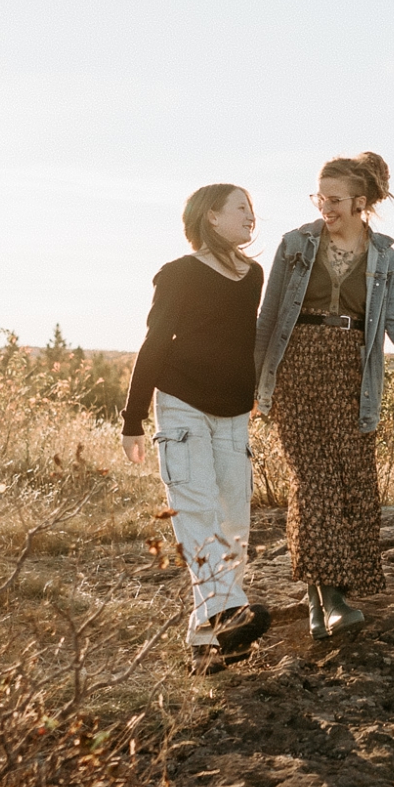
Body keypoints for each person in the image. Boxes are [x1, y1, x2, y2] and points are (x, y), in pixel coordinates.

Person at [254, 153, 394, 639]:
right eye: (319, 197)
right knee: (313, 480)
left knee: (351, 482)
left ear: (360, 202)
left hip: (353, 374)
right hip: (297, 368)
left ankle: (319, 600)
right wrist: (254, 384)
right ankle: (333, 598)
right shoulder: (295, 245)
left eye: (333, 199)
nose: (324, 207)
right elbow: (269, 317)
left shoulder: (385, 256)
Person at [121, 184, 271, 676]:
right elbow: (157, 339)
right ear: (211, 217)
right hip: (182, 404)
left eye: (252, 208)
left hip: (233, 411)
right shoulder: (179, 274)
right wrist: (133, 417)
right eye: (241, 208)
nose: (252, 216)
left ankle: (207, 639)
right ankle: (229, 611)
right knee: (196, 510)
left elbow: (246, 338)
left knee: (233, 523)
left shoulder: (253, 275)